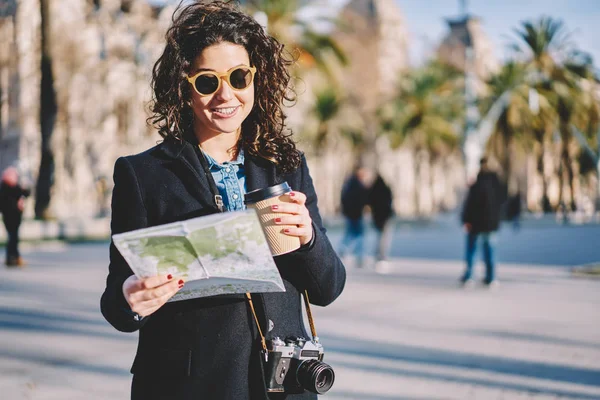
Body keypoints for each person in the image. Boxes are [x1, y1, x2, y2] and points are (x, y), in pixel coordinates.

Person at [99, 3, 346, 400]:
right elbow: (116, 304)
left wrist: (309, 239)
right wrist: (132, 298)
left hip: (284, 386)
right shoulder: (142, 175)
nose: (225, 94)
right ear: (184, 86)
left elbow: (328, 288)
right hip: (188, 387)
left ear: (255, 78)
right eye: (207, 81)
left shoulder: (287, 165)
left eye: (238, 77)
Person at [460, 157, 503, 288]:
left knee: (473, 251)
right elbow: (501, 205)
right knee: (490, 251)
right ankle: (491, 277)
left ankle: (470, 276)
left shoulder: (477, 185)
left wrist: (466, 220)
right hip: (491, 225)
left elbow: (469, 205)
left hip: (476, 224)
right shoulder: (497, 185)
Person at [338, 164, 371, 268]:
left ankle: (345, 252)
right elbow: (361, 199)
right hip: (355, 214)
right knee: (359, 235)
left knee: (351, 235)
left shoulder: (349, 183)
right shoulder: (356, 184)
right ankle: (358, 257)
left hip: (352, 214)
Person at [0, 167, 30, 267]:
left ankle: (11, 258)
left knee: (12, 238)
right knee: (13, 238)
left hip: (8, 217)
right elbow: (25, 193)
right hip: (13, 217)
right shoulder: (12, 188)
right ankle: (14, 258)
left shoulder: (4, 188)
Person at [368, 173, 394, 272]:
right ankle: (382, 255)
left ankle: (378, 255)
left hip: (377, 217)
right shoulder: (386, 189)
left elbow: (369, 201)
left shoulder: (373, 190)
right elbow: (390, 201)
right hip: (385, 217)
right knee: (384, 238)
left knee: (379, 237)